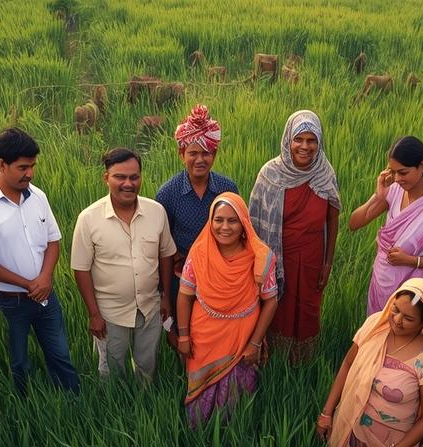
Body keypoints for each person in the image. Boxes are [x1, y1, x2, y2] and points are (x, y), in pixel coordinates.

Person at [0, 128, 80, 395]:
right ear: (1, 165)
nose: (30, 173)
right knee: (19, 362)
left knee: (60, 355)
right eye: (23, 167)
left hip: (46, 296)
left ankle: (74, 403)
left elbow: (53, 240)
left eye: (33, 166)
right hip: (10, 302)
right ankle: (25, 406)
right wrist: (28, 284)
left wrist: (45, 279)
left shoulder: (37, 196)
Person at [317, 279, 423, 447]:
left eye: (408, 318)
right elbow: (347, 364)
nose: (397, 320)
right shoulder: (375, 327)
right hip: (351, 428)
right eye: (395, 309)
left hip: (390, 444)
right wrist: (327, 413)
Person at [70, 147, 178, 381]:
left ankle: (145, 401)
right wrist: (93, 314)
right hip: (110, 312)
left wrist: (166, 297)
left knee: (148, 365)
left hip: (150, 306)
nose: (128, 183)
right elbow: (81, 269)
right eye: (120, 177)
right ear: (106, 178)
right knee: (111, 368)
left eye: (134, 177)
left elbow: (166, 254)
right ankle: (114, 407)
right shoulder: (89, 219)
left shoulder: (156, 212)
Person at [175, 192, 279, 426]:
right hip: (204, 335)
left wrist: (255, 343)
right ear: (210, 222)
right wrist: (183, 336)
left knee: (239, 392)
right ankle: (199, 434)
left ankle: (237, 432)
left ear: (243, 223)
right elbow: (184, 296)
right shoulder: (199, 253)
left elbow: (271, 301)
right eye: (218, 219)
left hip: (243, 338)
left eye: (232, 221)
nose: (224, 227)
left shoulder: (260, 257)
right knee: (202, 396)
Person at [248, 110, 341, 362]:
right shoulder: (270, 175)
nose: (305, 146)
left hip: (311, 257)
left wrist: (327, 262)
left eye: (312, 140)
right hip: (277, 259)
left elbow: (332, 219)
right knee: (278, 308)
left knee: (308, 308)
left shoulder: (324, 174)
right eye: (298, 139)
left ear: (319, 143)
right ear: (287, 140)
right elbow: (255, 224)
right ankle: (274, 360)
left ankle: (303, 362)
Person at [347, 136, 423, 315]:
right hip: (382, 283)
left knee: (406, 340)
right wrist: (378, 196)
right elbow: (354, 223)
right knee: (378, 338)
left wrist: (411, 260)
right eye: (392, 172)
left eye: (403, 172)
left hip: (415, 296)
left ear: (422, 167)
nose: (397, 178)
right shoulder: (393, 190)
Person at [156, 104, 238, 317]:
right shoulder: (168, 193)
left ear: (215, 154)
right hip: (181, 276)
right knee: (185, 331)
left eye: (206, 153)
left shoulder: (227, 189)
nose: (200, 160)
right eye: (193, 153)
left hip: (221, 274)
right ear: (181, 154)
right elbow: (163, 244)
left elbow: (239, 233)